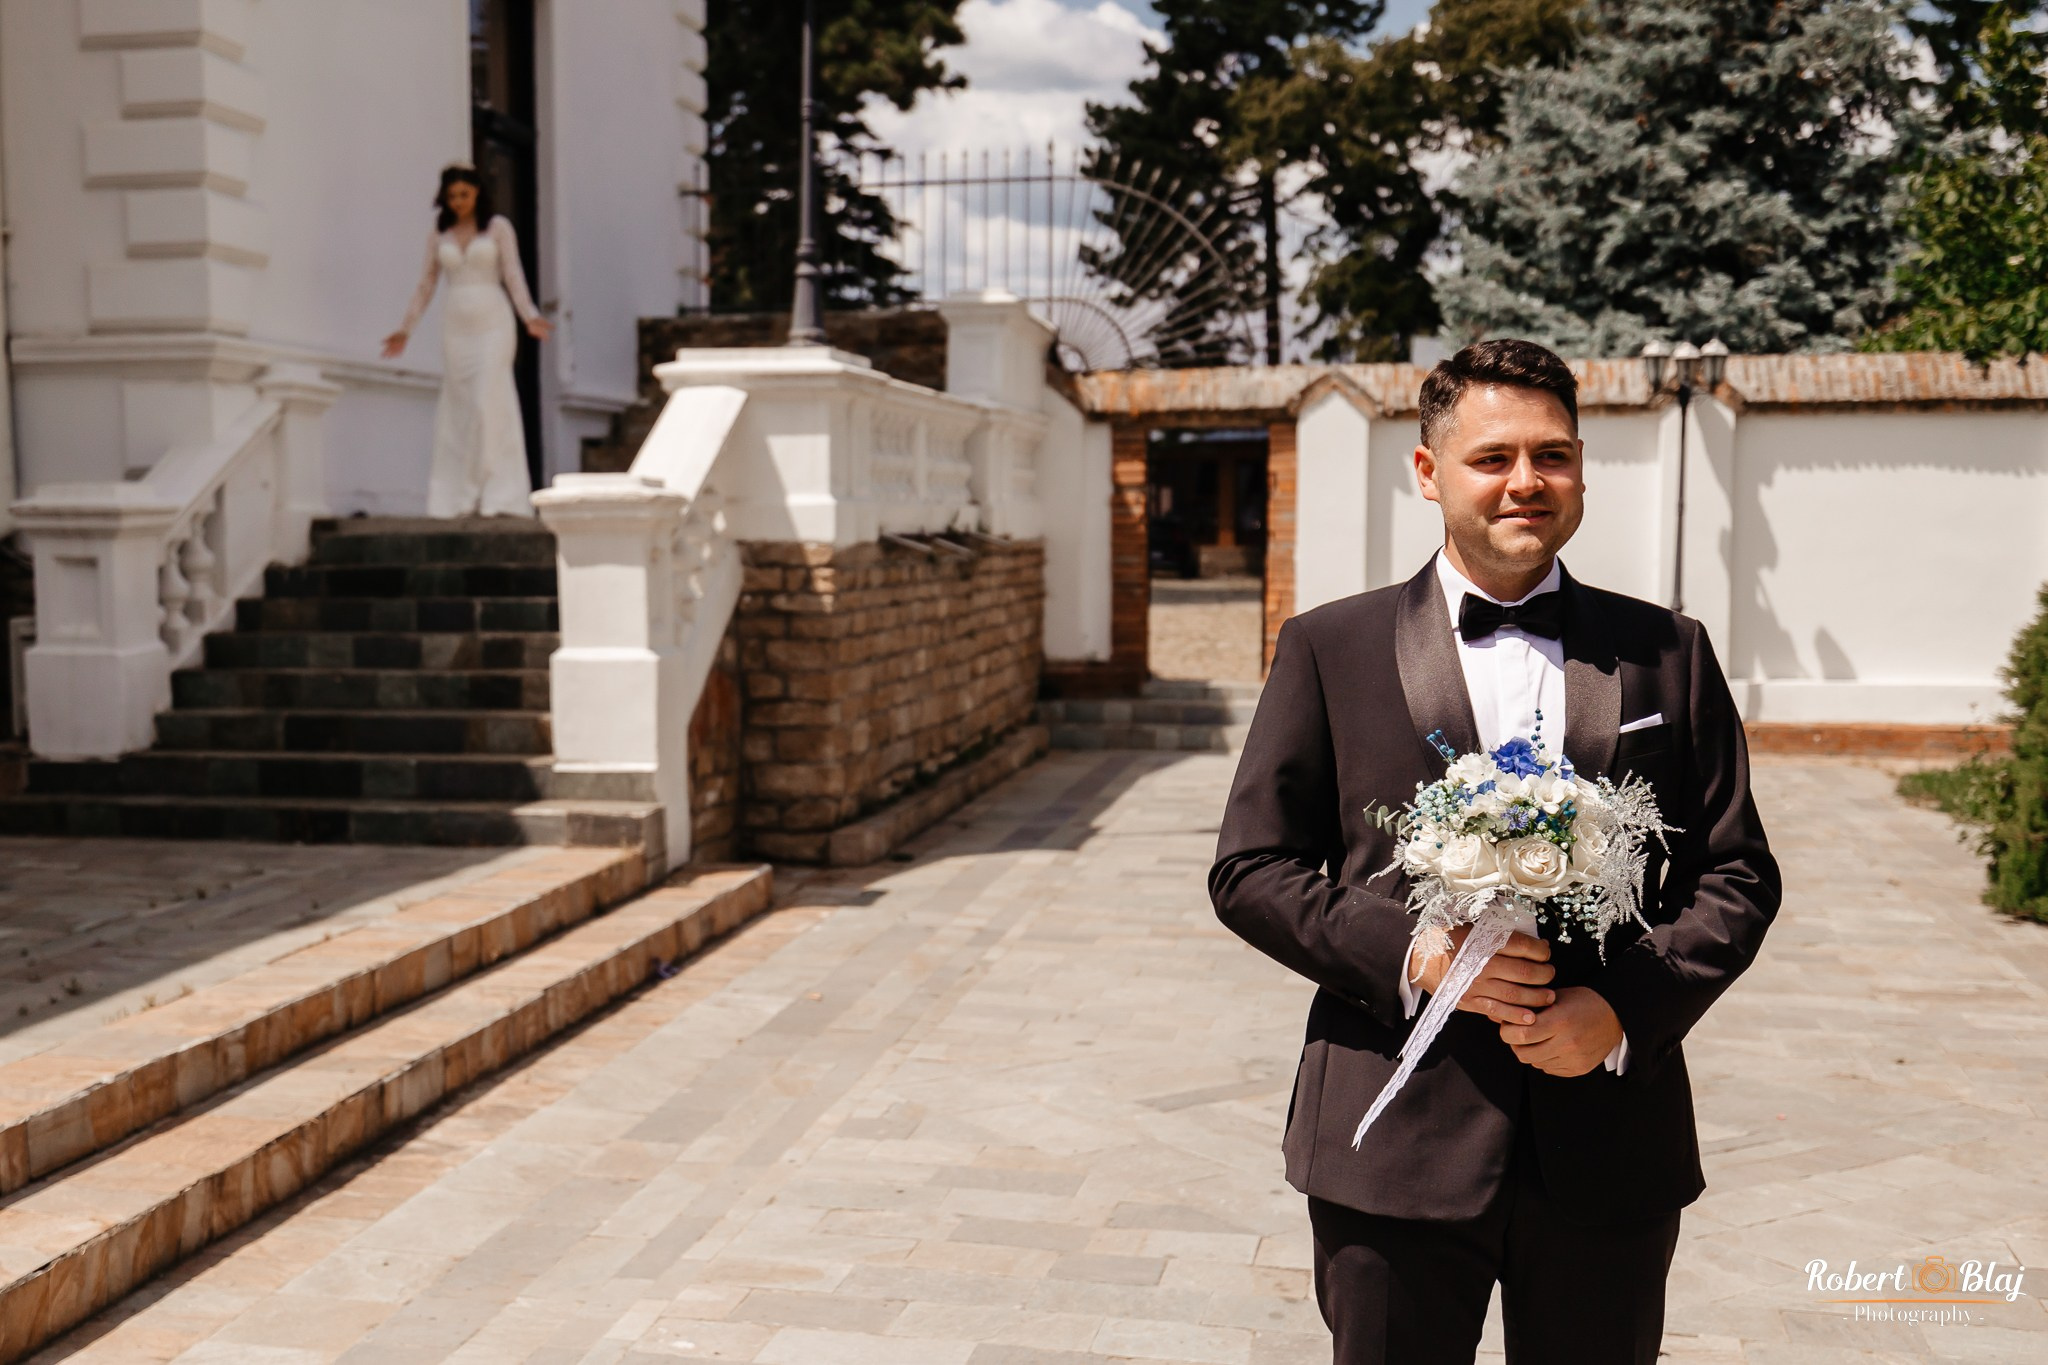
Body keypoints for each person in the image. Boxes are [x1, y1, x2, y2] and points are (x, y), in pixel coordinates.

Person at [1210, 339, 1781, 1365]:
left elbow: (1735, 874)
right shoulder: (1327, 649)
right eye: (1493, 457)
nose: (1527, 481)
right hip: (1391, 1140)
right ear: (1427, 473)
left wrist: (1619, 1010)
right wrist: (1413, 956)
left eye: (1552, 455)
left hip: (1608, 1141)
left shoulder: (1668, 652)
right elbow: (1250, 870)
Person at [383, 164, 551, 518]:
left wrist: (529, 315)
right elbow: (426, 284)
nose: (459, 202)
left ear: (477, 193)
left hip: (493, 322)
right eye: (452, 196)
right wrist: (405, 328)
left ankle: (498, 493)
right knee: (459, 409)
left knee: (486, 404)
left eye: (465, 194)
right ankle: (459, 495)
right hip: (456, 328)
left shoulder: (498, 227)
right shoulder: (439, 232)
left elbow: (513, 273)